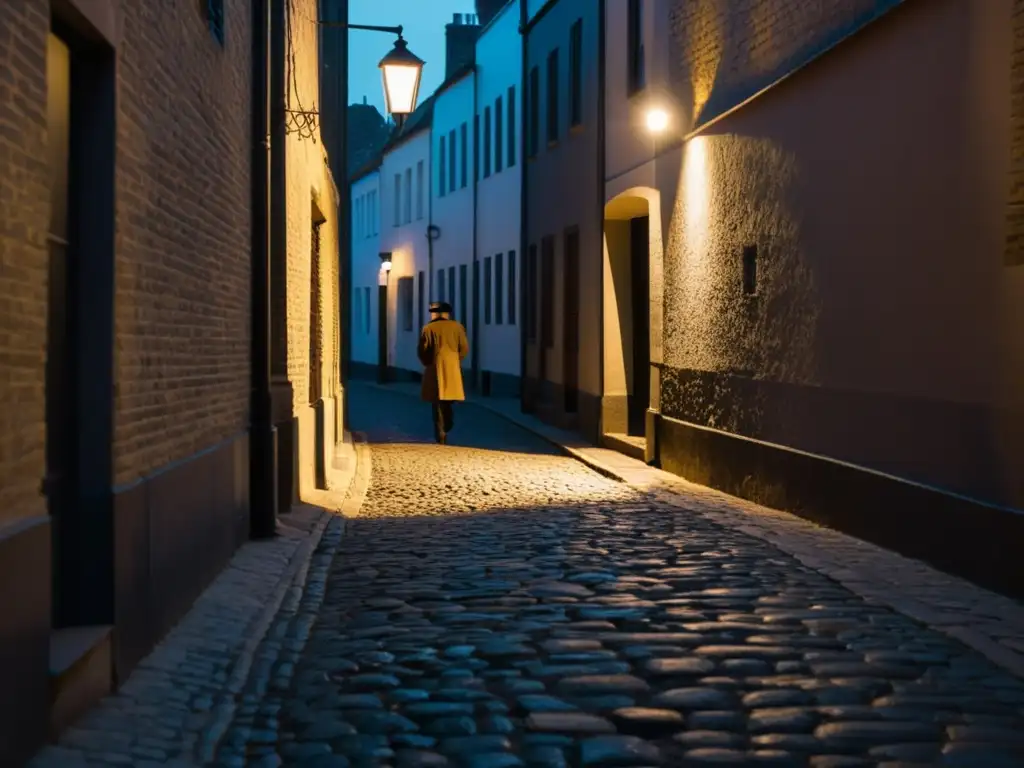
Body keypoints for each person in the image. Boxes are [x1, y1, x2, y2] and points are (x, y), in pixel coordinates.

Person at [417, 301, 469, 444]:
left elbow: (422, 350)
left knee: (436, 401)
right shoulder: (457, 328)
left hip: (434, 367)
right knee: (448, 399)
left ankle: (440, 431)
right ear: (447, 314)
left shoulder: (428, 328)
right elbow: (464, 348)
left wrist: (427, 363)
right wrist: (456, 360)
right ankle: (448, 422)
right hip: (452, 367)